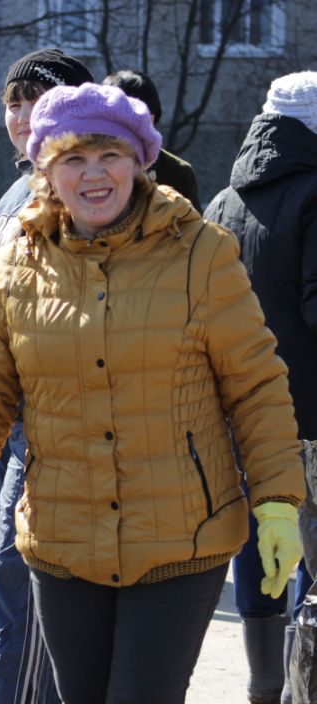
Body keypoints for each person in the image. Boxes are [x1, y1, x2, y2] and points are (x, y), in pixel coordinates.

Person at [0, 82, 305, 704]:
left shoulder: (200, 253)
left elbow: (255, 388)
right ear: (47, 171)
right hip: (64, 542)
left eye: (110, 156)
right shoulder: (18, 264)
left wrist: (278, 504)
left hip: (183, 538)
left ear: (140, 160)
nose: (94, 175)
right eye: (73, 159)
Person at [0, 48, 93, 704]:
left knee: (19, 584)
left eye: (34, 99)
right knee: (10, 590)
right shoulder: (18, 188)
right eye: (12, 100)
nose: (18, 113)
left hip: (43, 421)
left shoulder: (83, 194)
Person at [205, 71, 317, 704]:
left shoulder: (223, 202)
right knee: (311, 557)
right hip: (311, 418)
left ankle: (262, 688)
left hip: (242, 416)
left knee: (259, 552)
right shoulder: (314, 196)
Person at [102, 68, 202, 213]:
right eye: (125, 118)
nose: (135, 126)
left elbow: (195, 230)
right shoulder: (90, 168)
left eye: (143, 117)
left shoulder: (178, 172)